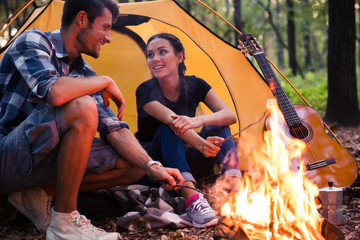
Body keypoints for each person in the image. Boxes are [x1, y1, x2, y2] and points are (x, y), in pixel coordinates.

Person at [0, 1, 184, 239]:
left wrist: (153, 167)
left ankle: (34, 194)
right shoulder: (33, 41)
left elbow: (114, 129)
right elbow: (54, 91)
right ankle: (64, 223)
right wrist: (105, 80)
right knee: (83, 105)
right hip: (7, 158)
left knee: (131, 164)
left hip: (40, 164)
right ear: (82, 19)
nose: (108, 38)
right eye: (105, 27)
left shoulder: (84, 72)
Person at [135, 33, 242, 228]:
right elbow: (173, 121)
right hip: (156, 166)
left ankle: (234, 191)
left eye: (162, 52)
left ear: (179, 57)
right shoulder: (145, 90)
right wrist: (202, 144)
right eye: (150, 55)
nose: (155, 59)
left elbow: (229, 114)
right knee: (169, 128)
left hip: (188, 159)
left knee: (218, 124)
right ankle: (193, 201)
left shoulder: (196, 84)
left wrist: (198, 120)